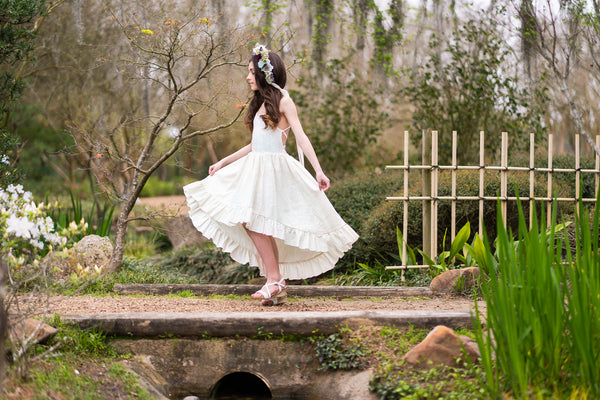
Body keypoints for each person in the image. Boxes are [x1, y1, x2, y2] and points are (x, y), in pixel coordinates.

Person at [183, 44, 358, 305]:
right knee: (256, 223)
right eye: (248, 72)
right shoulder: (260, 103)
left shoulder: (284, 101)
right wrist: (223, 162)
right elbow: (256, 144)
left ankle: (274, 280)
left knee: (256, 222)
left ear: (267, 72)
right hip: (255, 167)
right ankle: (277, 282)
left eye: (252, 72)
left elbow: (301, 137)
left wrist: (318, 171)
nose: (248, 76)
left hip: (273, 171)